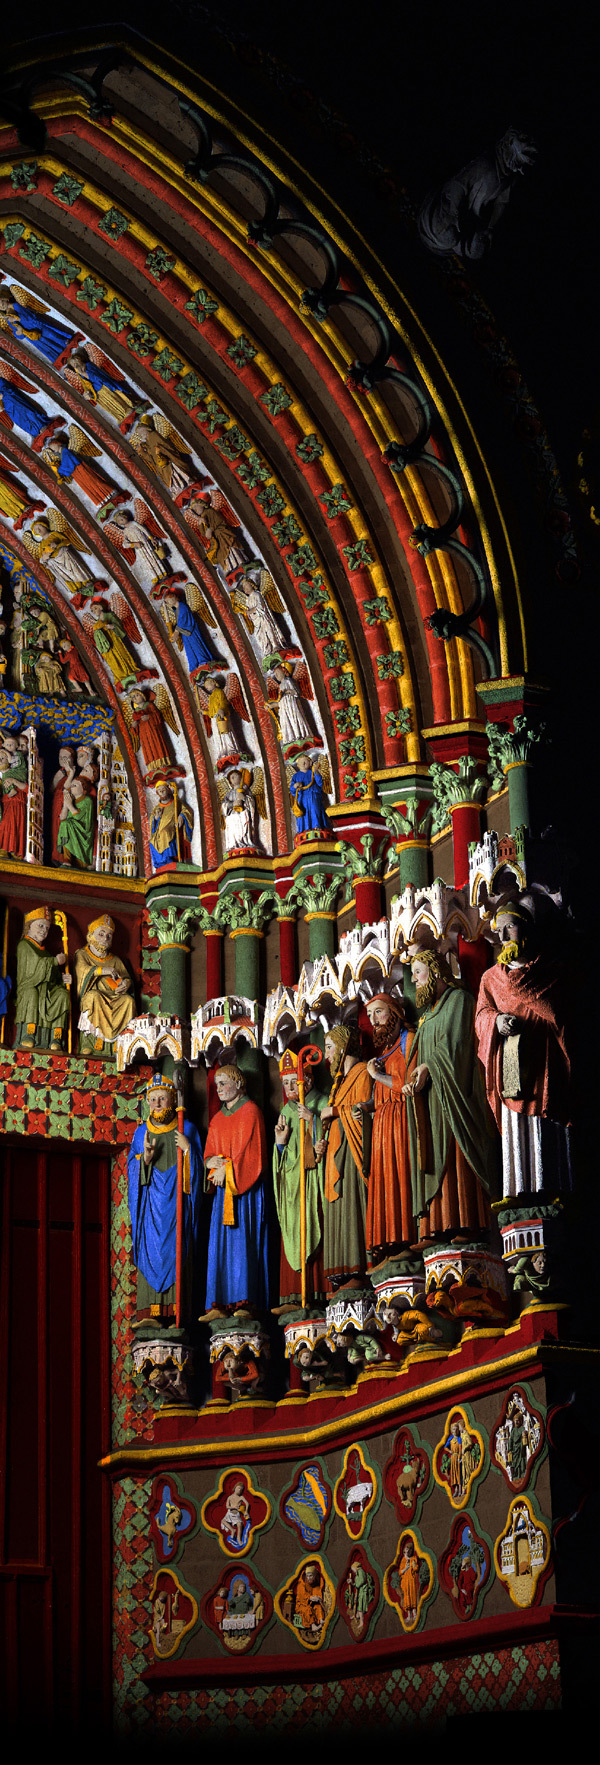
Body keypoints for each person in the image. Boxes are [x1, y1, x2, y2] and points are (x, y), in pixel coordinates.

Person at [474, 900, 572, 1196]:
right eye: (499, 931)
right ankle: (519, 1191)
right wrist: (497, 1021)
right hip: (512, 1064)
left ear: (526, 929)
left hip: (543, 1060)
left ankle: (550, 1189)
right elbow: (481, 1016)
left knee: (545, 1123)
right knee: (516, 1127)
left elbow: (560, 1013)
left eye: (510, 928)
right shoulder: (491, 978)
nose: (504, 937)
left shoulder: (549, 970)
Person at [403, 947, 498, 1238]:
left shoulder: (459, 1000)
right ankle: (436, 1226)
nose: (415, 980)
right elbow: (417, 1056)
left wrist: (429, 1067)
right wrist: (413, 1077)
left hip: (455, 1096)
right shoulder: (427, 1015)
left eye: (418, 973)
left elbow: (456, 1047)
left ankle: (465, 1221)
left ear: (434, 972)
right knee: (433, 1156)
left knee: (455, 1155)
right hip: (431, 1098)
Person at [127, 1076, 203, 1324]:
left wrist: (189, 1150)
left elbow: (199, 1176)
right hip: (150, 1210)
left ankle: (175, 1311)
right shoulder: (141, 1133)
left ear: (172, 1100)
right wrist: (145, 1161)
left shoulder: (187, 1129)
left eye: (162, 1099)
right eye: (152, 1100)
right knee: (151, 1250)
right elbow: (131, 1170)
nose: (157, 1105)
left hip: (176, 1208)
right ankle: (150, 1311)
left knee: (176, 1251)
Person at [203, 1064, 269, 1316]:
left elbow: (252, 1156)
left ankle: (245, 1301)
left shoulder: (251, 1112)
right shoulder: (218, 1119)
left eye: (223, 1083)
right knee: (220, 1245)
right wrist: (210, 1163)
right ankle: (218, 1303)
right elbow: (209, 1153)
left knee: (242, 1242)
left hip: (245, 1194)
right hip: (222, 1194)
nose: (218, 1089)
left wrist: (227, 1170)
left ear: (239, 1084)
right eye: (216, 1084)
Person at [272, 1047, 327, 1307]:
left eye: (295, 1081)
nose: (290, 1087)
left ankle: (318, 1293)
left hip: (314, 1182)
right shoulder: (286, 1110)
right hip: (293, 1187)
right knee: (293, 1227)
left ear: (308, 1080)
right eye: (285, 1083)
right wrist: (280, 1144)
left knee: (316, 1224)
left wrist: (313, 1120)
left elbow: (331, 1143)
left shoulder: (321, 1102)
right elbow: (280, 1162)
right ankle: (294, 1295)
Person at [363, 993, 415, 1261]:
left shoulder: (409, 1040)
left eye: (379, 1012)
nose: (374, 1020)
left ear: (395, 1012)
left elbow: (407, 1084)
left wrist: (377, 1075)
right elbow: (381, 1092)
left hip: (401, 1121)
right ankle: (389, 1242)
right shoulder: (385, 1051)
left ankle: (405, 1238)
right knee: (384, 1181)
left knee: (400, 1177)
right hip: (383, 1122)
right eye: (371, 1015)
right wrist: (366, 1106)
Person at [321, 1023, 372, 1289]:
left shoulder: (362, 1072)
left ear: (342, 1046)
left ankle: (358, 1267)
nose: (327, 1055)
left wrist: (335, 1112)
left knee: (353, 1206)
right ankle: (342, 1271)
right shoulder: (338, 1084)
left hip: (352, 1153)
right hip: (336, 1154)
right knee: (339, 1209)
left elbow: (361, 1112)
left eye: (329, 1048)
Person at [74, 912, 135, 1055]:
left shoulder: (115, 959)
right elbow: (82, 970)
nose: (104, 939)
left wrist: (125, 984)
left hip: (114, 996)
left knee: (128, 1001)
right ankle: (89, 1042)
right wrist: (102, 970)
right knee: (93, 997)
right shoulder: (82, 954)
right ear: (91, 935)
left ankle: (118, 1045)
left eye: (109, 936)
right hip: (95, 995)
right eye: (101, 934)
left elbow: (126, 978)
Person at [14, 905, 70, 1049]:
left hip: (47, 991)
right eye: (40, 926)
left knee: (62, 995)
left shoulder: (46, 952)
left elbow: (53, 978)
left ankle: (55, 1038)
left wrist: (63, 980)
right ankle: (28, 1034)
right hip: (28, 987)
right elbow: (34, 968)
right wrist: (55, 961)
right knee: (32, 993)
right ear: (29, 926)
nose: (44, 930)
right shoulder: (24, 945)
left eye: (47, 928)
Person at [149, 779, 193, 869]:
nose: (161, 792)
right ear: (157, 793)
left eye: (163, 790)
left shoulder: (176, 803)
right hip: (159, 830)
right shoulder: (157, 808)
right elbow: (152, 824)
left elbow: (186, 811)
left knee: (165, 833)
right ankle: (160, 863)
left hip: (171, 827)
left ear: (168, 790)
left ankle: (169, 858)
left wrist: (181, 816)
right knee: (152, 840)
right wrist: (156, 818)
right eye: (159, 791)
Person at [55, 776, 96, 869]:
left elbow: (77, 815)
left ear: (83, 788)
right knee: (65, 824)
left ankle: (75, 859)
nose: (72, 787)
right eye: (71, 785)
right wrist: (66, 805)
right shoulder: (72, 801)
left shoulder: (87, 800)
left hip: (83, 832)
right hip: (72, 829)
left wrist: (69, 805)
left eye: (75, 785)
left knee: (67, 824)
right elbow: (62, 818)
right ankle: (67, 859)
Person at [289, 754, 328, 836]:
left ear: (310, 763)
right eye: (301, 762)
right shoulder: (296, 776)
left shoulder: (312, 772)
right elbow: (292, 790)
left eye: (305, 761)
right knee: (303, 812)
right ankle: (303, 829)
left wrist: (316, 771)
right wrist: (295, 786)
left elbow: (320, 783)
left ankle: (317, 826)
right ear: (298, 765)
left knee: (315, 809)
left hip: (313, 794)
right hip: (302, 797)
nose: (303, 763)